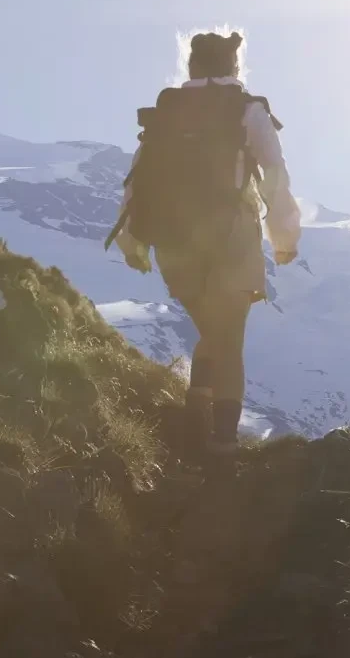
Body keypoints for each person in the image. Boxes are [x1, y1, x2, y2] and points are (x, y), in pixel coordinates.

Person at [106, 30, 300, 476]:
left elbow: (137, 180)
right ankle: (222, 449)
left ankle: (195, 416)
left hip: (175, 242)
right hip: (231, 234)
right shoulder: (248, 110)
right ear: (234, 66)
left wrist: (133, 243)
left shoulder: (169, 113)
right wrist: (284, 238)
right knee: (228, 338)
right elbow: (274, 175)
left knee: (212, 329)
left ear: (190, 67)